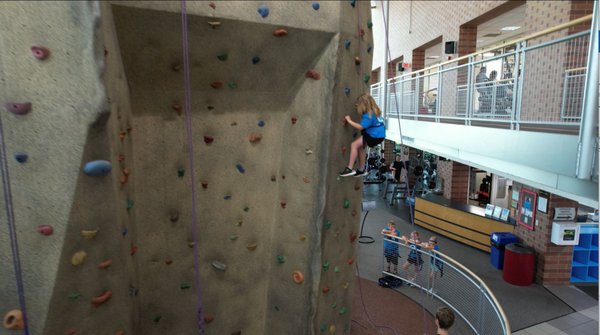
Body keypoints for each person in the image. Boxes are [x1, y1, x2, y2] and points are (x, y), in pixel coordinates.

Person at [339, 93, 386, 177]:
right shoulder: (375, 111)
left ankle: (349, 168)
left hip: (373, 136)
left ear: (363, 105)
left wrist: (349, 120)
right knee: (361, 147)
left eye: (358, 105)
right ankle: (361, 169)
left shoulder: (368, 115)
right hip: (379, 136)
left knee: (354, 145)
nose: (357, 107)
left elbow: (360, 127)